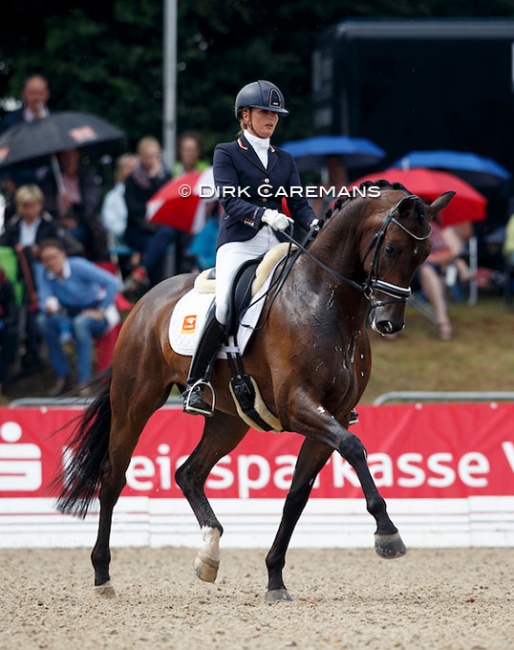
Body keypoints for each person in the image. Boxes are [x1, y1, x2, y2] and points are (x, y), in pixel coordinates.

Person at [183, 80, 320, 416]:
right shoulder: (226, 152)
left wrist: (315, 225)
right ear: (245, 116)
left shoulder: (284, 159)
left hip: (276, 244)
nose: (271, 118)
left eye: (275, 113)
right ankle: (196, 383)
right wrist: (264, 214)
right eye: (264, 111)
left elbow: (299, 204)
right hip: (238, 244)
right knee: (227, 304)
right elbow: (229, 201)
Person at [35, 239, 120, 396]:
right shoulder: (45, 273)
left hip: (97, 314)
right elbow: (44, 298)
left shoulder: (78, 265)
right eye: (46, 259)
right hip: (69, 315)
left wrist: (101, 310)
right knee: (42, 321)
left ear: (63, 255)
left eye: (54, 257)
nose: (51, 262)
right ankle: (63, 375)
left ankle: (84, 381)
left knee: (80, 323)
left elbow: (112, 283)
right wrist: (48, 306)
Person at [0, 184, 63, 372]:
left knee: (35, 317)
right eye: (26, 206)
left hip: (41, 275)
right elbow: (4, 248)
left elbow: (57, 246)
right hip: (19, 279)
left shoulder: (49, 223)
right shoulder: (12, 225)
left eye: (33, 205)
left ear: (39, 205)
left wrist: (39, 251)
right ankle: (27, 355)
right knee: (21, 317)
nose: (30, 210)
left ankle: (38, 354)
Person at [123, 136, 175, 297]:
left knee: (165, 234)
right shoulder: (132, 179)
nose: (150, 161)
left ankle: (141, 273)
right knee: (156, 246)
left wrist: (155, 179)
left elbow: (167, 203)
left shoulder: (165, 177)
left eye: (153, 157)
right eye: (146, 157)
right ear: (140, 157)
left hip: (158, 230)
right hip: (137, 229)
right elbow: (133, 210)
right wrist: (150, 220)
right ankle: (155, 293)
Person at [39, 148, 110, 262]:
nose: (69, 159)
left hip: (83, 223)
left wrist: (74, 204)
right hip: (55, 224)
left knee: (70, 238)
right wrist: (60, 221)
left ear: (78, 156)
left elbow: (90, 206)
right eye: (65, 156)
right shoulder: (51, 179)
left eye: (72, 155)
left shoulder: (87, 177)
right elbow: (44, 206)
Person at [0, 74, 52, 198]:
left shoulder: (54, 121)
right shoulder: (12, 122)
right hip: (19, 183)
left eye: (40, 93)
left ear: (47, 94)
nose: (36, 98)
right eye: (32, 93)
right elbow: (2, 150)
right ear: (24, 94)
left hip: (50, 184)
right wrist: (6, 179)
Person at [173, 131, 211, 273]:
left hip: (200, 217)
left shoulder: (206, 171)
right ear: (180, 152)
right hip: (178, 218)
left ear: (198, 152)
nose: (189, 153)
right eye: (186, 149)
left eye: (192, 149)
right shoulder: (174, 172)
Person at [100, 153, 139, 275]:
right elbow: (109, 223)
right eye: (128, 167)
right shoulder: (112, 197)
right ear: (120, 171)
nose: (132, 171)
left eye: (135, 167)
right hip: (122, 237)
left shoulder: (146, 193)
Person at [0, 264, 19, 398]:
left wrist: (7, 321)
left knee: (12, 334)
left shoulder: (7, 285)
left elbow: (12, 309)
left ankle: (4, 377)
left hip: (4, 324)